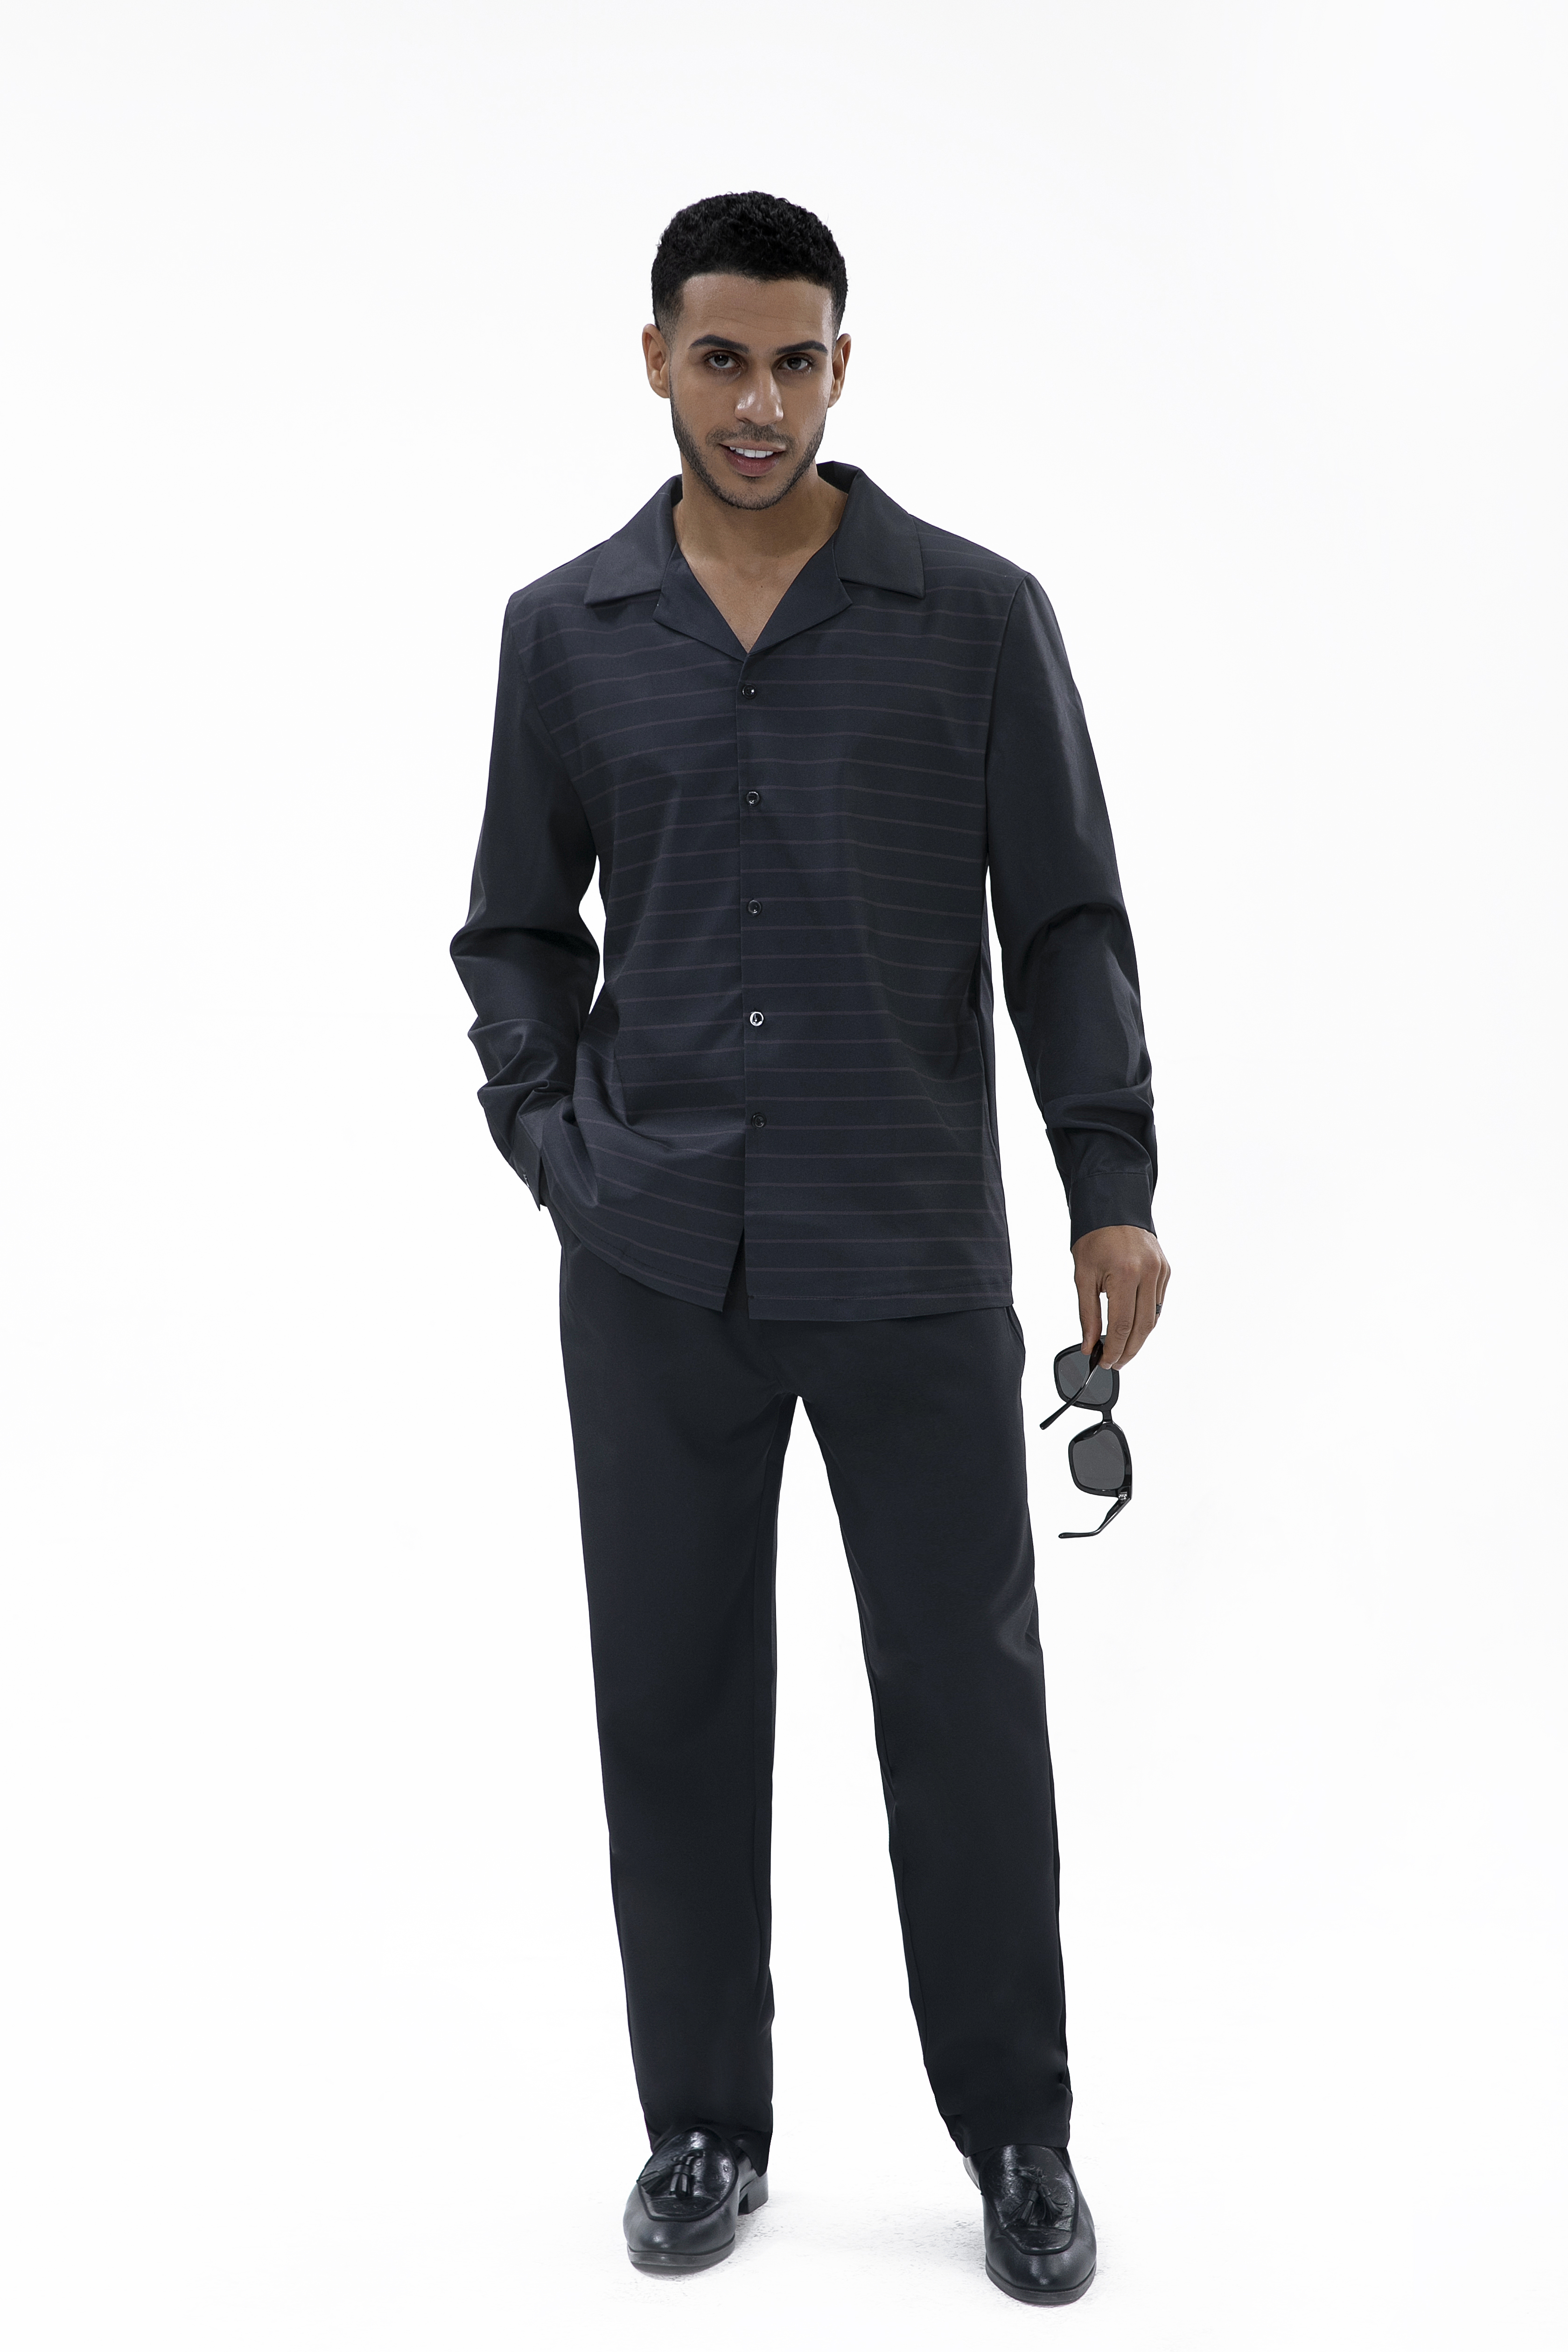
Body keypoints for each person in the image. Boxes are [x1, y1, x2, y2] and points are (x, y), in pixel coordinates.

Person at [450, 189, 1169, 2306]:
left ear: (842, 366)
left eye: (795, 361)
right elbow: (514, 930)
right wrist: (560, 1144)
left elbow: (1064, 921)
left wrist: (1110, 1181)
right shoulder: (566, 632)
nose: (758, 403)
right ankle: (702, 2127)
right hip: (653, 1262)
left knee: (967, 1710)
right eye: (721, 359)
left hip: (909, 1250)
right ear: (656, 361)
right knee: (672, 1704)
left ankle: (1020, 2140)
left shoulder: (977, 616)